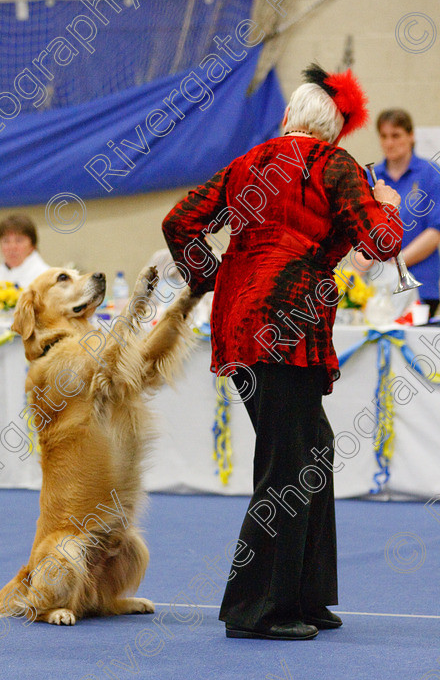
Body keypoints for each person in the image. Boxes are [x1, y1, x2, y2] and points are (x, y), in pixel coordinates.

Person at [162, 64, 403, 641]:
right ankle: (258, 609)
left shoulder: (250, 162)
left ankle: (305, 596)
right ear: (334, 129)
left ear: (290, 118)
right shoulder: (334, 165)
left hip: (241, 328)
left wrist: (214, 278)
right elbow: (382, 242)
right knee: (288, 465)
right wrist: (386, 202)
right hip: (287, 329)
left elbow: (180, 223)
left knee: (310, 449)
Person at [367, 110, 440, 316]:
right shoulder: (371, 177)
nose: (389, 143)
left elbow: (435, 232)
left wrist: (395, 265)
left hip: (422, 285)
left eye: (396, 135)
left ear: (411, 136)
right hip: (377, 287)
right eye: (384, 136)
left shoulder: (431, 174)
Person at [0, 214, 50, 310]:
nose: (12, 247)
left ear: (33, 245)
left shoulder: (45, 276)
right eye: (6, 241)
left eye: (19, 240)